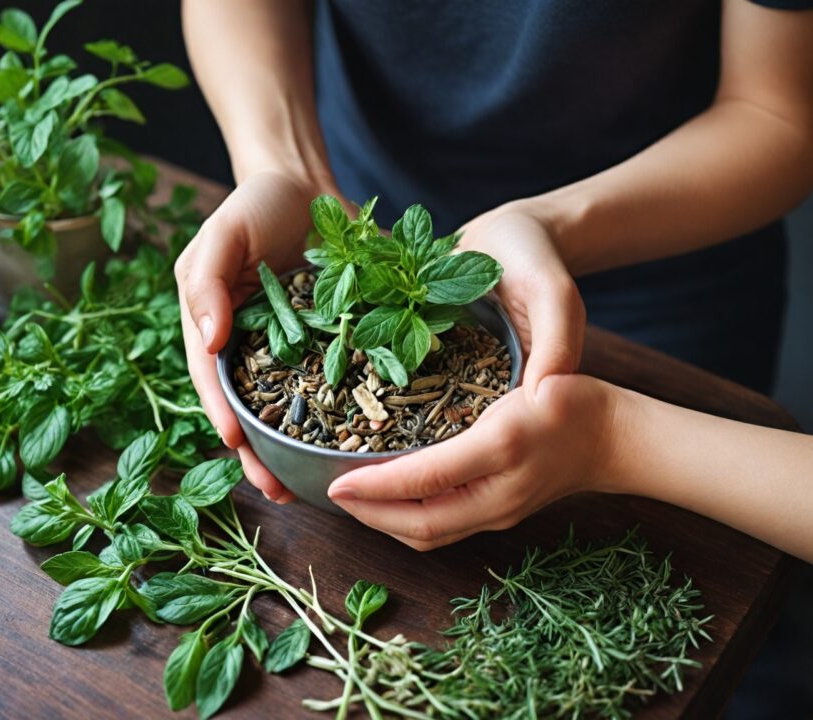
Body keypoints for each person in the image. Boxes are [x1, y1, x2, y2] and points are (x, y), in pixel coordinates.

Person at [177, 0, 812, 520]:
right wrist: (287, 168)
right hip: (359, 222)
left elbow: (776, 111)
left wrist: (552, 224)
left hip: (666, 261)